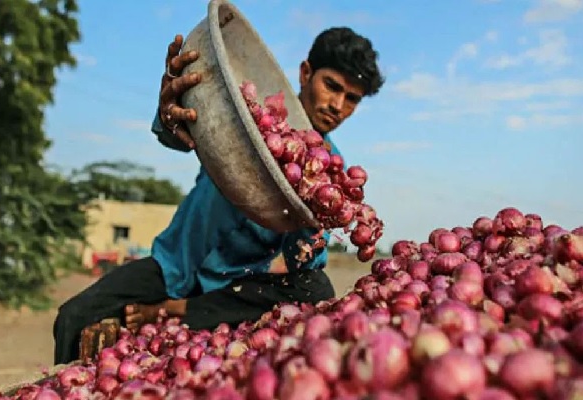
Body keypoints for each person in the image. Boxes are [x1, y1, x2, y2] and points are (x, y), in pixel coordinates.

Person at [52, 26, 385, 365]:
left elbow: (303, 265)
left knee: (316, 289)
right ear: (305, 73)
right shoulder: (249, 116)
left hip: (235, 287)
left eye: (352, 99)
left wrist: (309, 222)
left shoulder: (331, 178)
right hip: (174, 266)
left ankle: (176, 312)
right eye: (332, 86)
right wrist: (171, 110)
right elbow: (183, 130)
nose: (337, 105)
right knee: (73, 317)